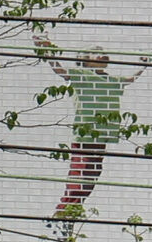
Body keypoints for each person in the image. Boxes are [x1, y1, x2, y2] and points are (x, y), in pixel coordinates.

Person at [56, 52, 132, 220]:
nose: (102, 55)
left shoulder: (111, 80)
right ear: (85, 61)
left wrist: (145, 63)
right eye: (95, 53)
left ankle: (73, 208)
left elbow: (129, 79)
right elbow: (60, 70)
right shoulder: (81, 75)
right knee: (80, 171)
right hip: (85, 136)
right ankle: (63, 209)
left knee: (92, 174)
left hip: (102, 136)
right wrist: (46, 48)